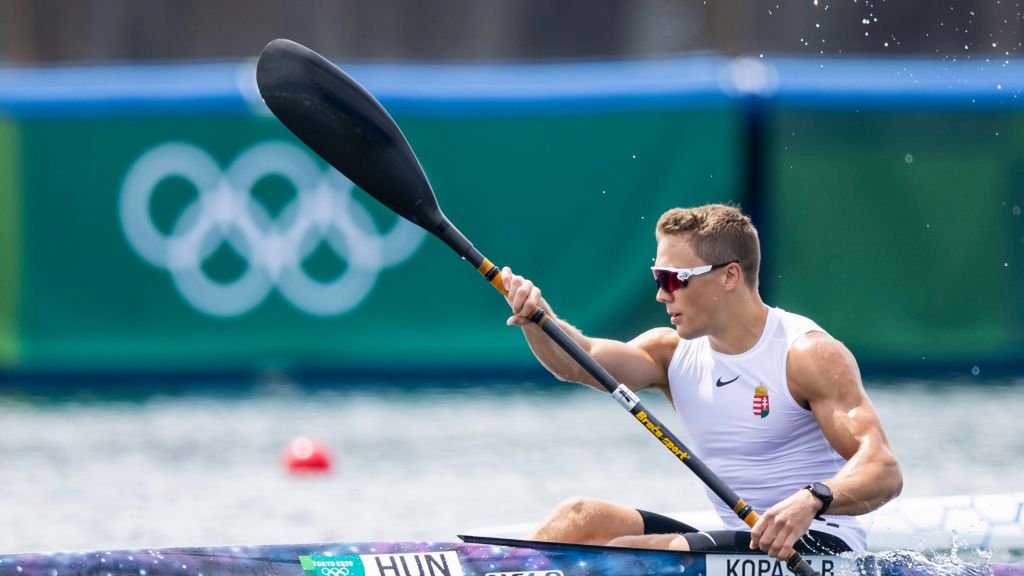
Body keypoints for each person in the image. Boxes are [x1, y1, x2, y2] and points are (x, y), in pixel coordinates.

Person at [501, 203, 902, 560]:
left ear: (729, 276)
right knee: (578, 517)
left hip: (814, 545)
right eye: (658, 276)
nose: (661, 294)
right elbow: (579, 361)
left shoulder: (805, 355)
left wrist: (812, 499)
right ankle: (499, 569)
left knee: (626, 557)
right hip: (739, 543)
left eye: (674, 279)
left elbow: (883, 469)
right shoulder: (671, 354)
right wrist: (538, 317)